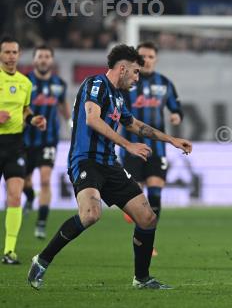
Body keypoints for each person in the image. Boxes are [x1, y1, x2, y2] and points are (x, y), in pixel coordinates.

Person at [27, 44, 192, 290]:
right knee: (91, 214)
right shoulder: (95, 84)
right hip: (85, 161)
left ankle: (142, 278)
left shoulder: (118, 96)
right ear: (123, 69)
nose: (138, 77)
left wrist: (172, 139)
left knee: (147, 218)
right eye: (136, 72)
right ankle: (42, 260)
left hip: (109, 164)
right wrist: (127, 145)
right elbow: (92, 119)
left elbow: (135, 125)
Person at [120, 42, 183, 256]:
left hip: (157, 149)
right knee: (135, 196)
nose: (146, 60)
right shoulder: (127, 82)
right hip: (132, 148)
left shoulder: (164, 83)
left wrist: (176, 115)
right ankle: (133, 218)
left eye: (150, 56)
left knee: (155, 195)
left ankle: (149, 242)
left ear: (155, 59)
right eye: (143, 56)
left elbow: (176, 107)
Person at [0, 36, 47, 264]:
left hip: (15, 145)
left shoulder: (25, 82)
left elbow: (25, 110)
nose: (10, 56)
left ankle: (9, 251)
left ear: (19, 55)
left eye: (14, 52)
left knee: (15, 196)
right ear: (0, 54)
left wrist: (34, 119)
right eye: (7, 52)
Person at [22, 44, 71, 239]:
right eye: (40, 56)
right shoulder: (25, 82)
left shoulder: (59, 84)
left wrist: (70, 122)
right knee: (24, 181)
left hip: (49, 140)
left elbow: (63, 105)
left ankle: (41, 223)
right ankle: (30, 197)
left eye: (46, 56)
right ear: (34, 59)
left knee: (44, 180)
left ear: (51, 60)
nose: (43, 60)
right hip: (25, 140)